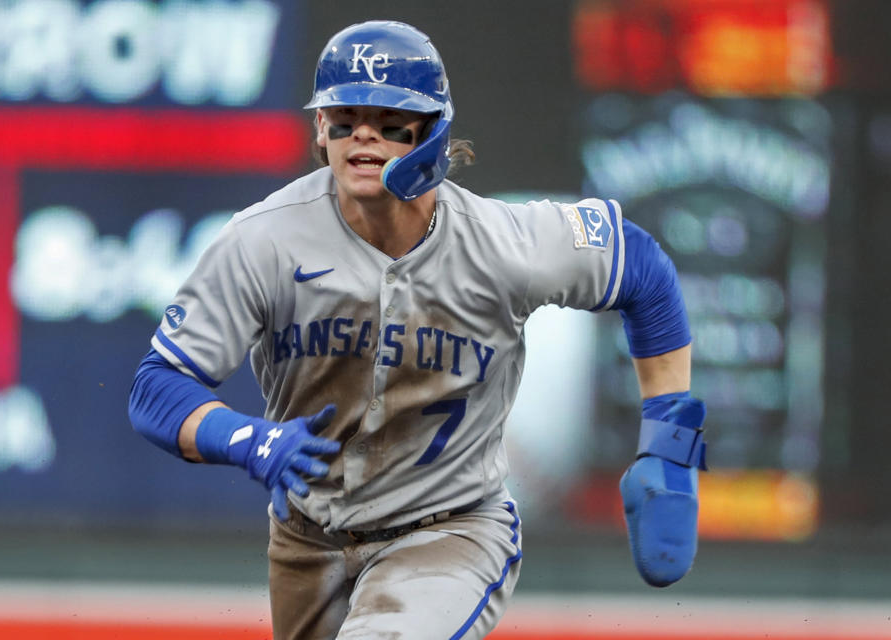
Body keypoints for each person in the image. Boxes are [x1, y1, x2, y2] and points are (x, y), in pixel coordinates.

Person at [128, 19, 707, 640]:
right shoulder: (264, 239)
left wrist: (669, 445)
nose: (364, 136)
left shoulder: (504, 244)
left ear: (434, 134)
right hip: (307, 540)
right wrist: (249, 440)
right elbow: (158, 388)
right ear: (320, 129)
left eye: (390, 120)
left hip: (449, 530)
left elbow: (642, 270)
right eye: (345, 117)